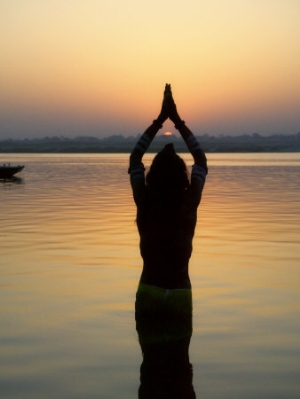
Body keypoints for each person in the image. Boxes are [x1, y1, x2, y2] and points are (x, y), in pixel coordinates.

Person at [129, 84, 207, 323]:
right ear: (182, 175)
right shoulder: (189, 201)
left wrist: (160, 119)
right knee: (181, 357)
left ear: (153, 175)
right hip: (179, 292)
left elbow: (135, 158)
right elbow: (201, 160)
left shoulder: (144, 200)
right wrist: (177, 120)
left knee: (149, 358)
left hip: (149, 289)